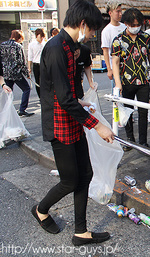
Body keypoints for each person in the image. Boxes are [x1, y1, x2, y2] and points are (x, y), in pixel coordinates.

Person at [32, 0, 114, 246]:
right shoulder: (57, 48)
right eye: (91, 31)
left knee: (86, 174)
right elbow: (62, 97)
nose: (91, 36)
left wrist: (81, 103)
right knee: (70, 179)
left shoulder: (69, 46)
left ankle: (81, 231)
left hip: (71, 119)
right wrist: (97, 125)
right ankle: (41, 209)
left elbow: (68, 91)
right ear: (82, 24)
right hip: (59, 123)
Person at [111, 7, 150, 148]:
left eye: (138, 25)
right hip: (126, 81)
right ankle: (129, 140)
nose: (136, 28)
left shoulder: (146, 37)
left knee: (143, 112)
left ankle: (143, 141)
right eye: (133, 25)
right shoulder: (118, 40)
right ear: (126, 23)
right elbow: (115, 62)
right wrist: (118, 84)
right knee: (127, 111)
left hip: (143, 80)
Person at [0, 30, 34, 117]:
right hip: (16, 73)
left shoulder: (2, 45)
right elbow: (21, 62)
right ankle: (22, 109)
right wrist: (27, 74)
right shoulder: (18, 46)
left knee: (8, 91)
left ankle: (7, 110)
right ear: (19, 38)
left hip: (6, 72)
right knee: (26, 89)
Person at [101, 0, 126, 89]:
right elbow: (105, 51)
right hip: (115, 66)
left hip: (127, 66)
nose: (120, 14)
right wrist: (109, 69)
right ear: (110, 13)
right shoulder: (106, 31)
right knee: (117, 92)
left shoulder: (125, 27)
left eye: (121, 11)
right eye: (117, 11)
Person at [28, 28, 45, 98]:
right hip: (36, 64)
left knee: (45, 81)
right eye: (40, 37)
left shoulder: (45, 43)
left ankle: (45, 96)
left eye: (42, 37)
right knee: (37, 81)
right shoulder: (32, 44)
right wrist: (29, 67)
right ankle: (40, 97)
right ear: (37, 35)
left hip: (44, 64)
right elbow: (30, 57)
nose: (41, 39)